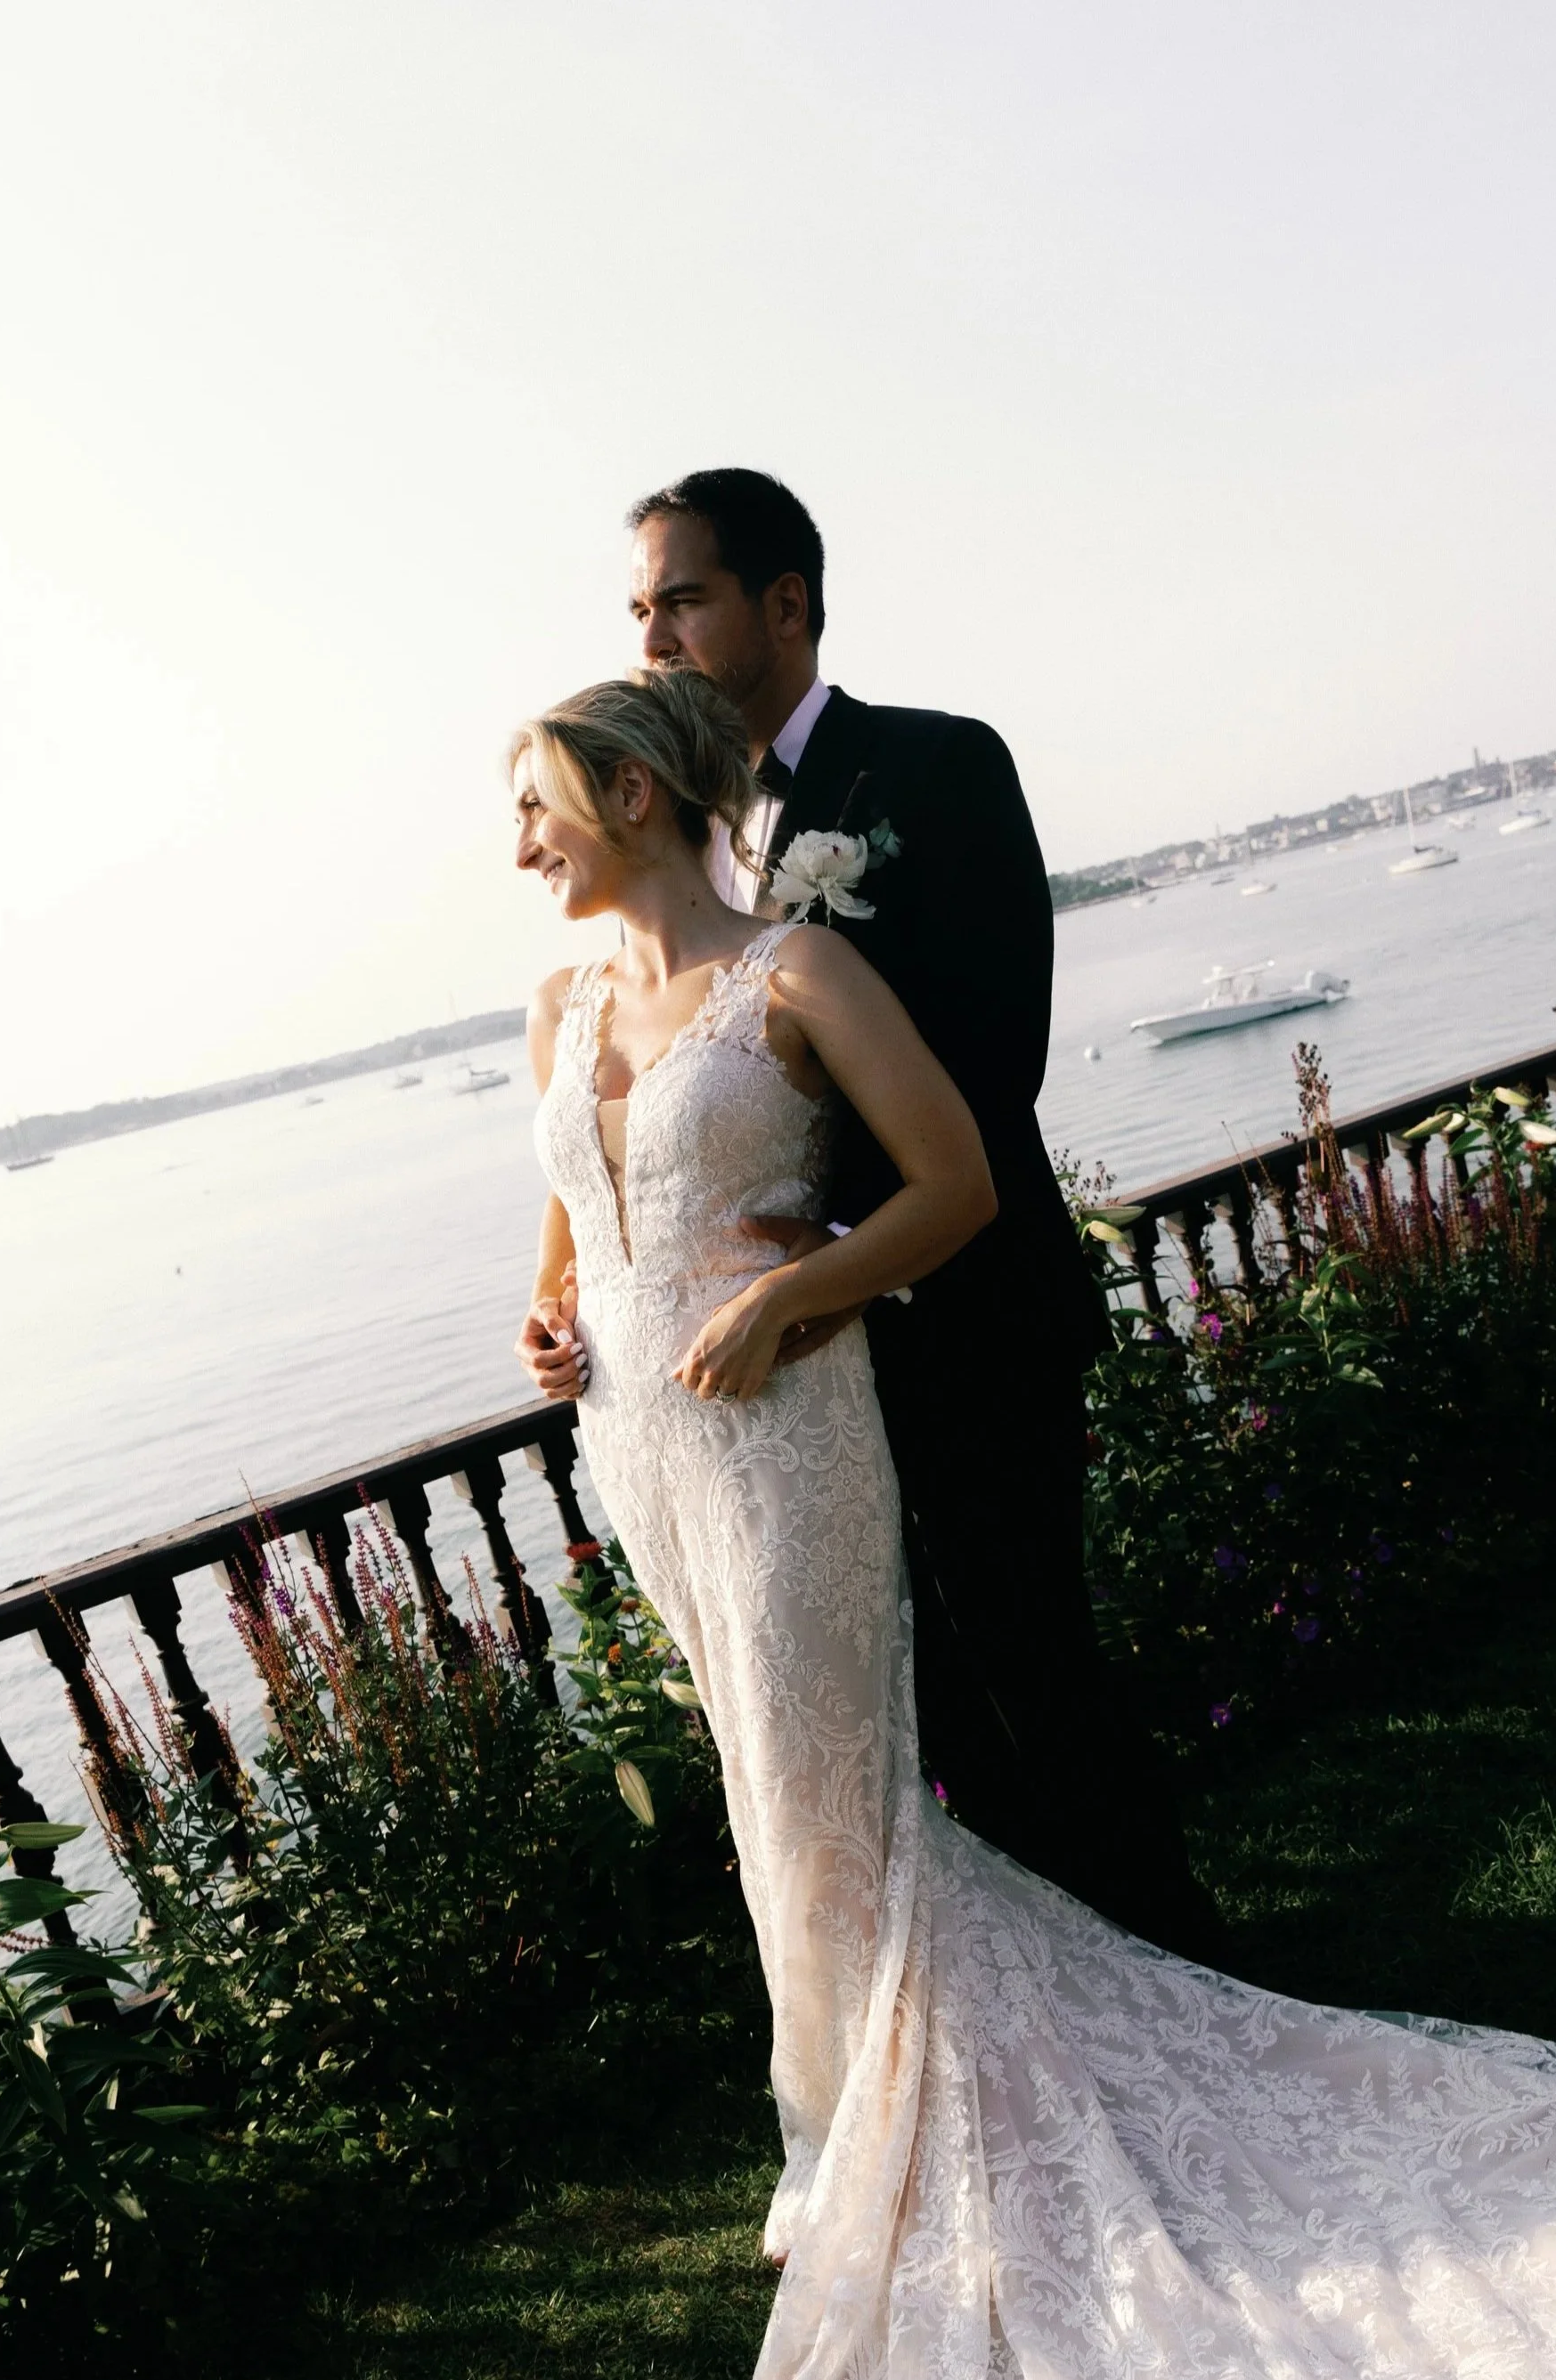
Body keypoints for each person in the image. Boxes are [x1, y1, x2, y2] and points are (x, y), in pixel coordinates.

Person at [510, 665, 1556, 2377]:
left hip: (788, 1433)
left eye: (533, 805)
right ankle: (845, 2099)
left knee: (817, 1777)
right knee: (751, 1774)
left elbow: (957, 1186)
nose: (515, 848)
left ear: (630, 797)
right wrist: (551, 1326)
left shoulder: (800, 968)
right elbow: (569, 1239)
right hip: (645, 1447)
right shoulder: (556, 1008)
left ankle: (848, 2133)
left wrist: (802, 1298)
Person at [614, 466, 1224, 1959]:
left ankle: (1179, 1973)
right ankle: (1058, 2012)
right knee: (929, 1708)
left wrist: (825, 1260)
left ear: (787, 604)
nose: (653, 640)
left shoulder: (939, 768)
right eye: (637, 609)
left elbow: (995, 1056)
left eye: (681, 599)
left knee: (1034, 1671)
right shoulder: (691, 843)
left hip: (966, 1316)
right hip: (810, 1390)